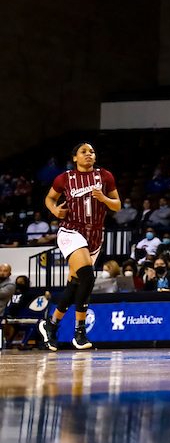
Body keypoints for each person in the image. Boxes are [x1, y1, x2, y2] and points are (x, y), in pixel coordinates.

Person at [39, 143, 121, 351]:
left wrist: (104, 198)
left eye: (92, 152)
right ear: (74, 157)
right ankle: (80, 331)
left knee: (75, 284)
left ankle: (51, 324)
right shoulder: (64, 178)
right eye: (84, 152)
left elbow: (117, 205)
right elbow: (49, 198)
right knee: (88, 276)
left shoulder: (105, 176)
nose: (89, 154)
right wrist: (54, 210)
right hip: (71, 231)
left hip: (95, 235)